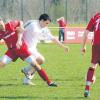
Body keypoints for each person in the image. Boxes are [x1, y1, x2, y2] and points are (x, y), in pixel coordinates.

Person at [0, 19, 58, 87]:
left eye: (1, 24)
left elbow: (20, 21)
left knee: (36, 65)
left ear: (3, 22)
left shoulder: (10, 24)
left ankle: (49, 82)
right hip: (12, 51)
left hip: (22, 49)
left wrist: (21, 28)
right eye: (0, 25)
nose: (2, 26)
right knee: (1, 64)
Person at [21, 14, 69, 85]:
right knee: (40, 60)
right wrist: (18, 41)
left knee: (39, 62)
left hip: (33, 48)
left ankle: (26, 78)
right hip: (25, 47)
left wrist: (63, 46)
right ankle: (26, 71)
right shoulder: (32, 24)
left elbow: (53, 38)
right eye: (46, 23)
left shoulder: (45, 29)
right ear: (42, 20)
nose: (47, 25)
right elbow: (21, 30)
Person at [81, 12, 100, 97]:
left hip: (96, 45)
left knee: (93, 65)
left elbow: (86, 33)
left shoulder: (95, 16)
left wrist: (84, 46)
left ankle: (87, 88)